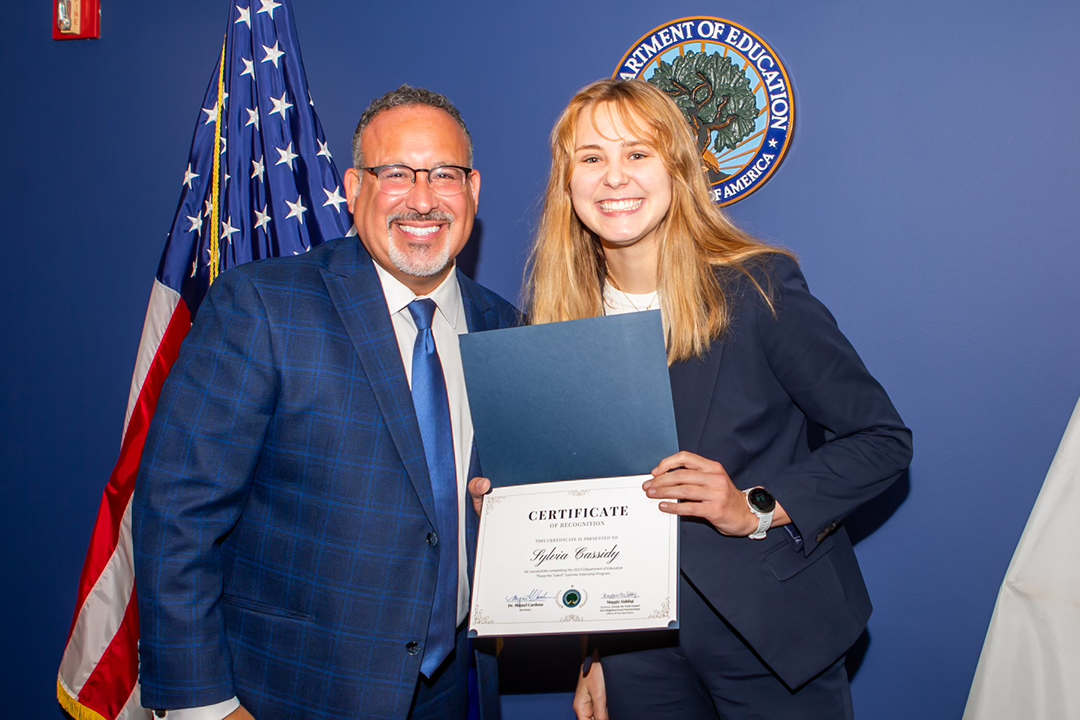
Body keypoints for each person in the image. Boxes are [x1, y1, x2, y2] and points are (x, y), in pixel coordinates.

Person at [476, 79, 912, 719]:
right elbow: (595, 509)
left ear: (677, 170)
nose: (613, 177)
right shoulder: (557, 326)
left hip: (769, 628)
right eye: (591, 158)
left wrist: (756, 506)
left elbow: (881, 439)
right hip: (637, 649)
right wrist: (591, 649)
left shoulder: (758, 288)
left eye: (638, 154)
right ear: (567, 184)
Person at [133, 85, 520, 720]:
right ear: (352, 187)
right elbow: (177, 513)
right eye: (395, 173)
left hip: (455, 693)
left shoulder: (506, 330)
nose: (422, 198)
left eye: (444, 175)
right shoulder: (262, 305)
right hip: (287, 693)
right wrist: (204, 705)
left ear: (473, 191)